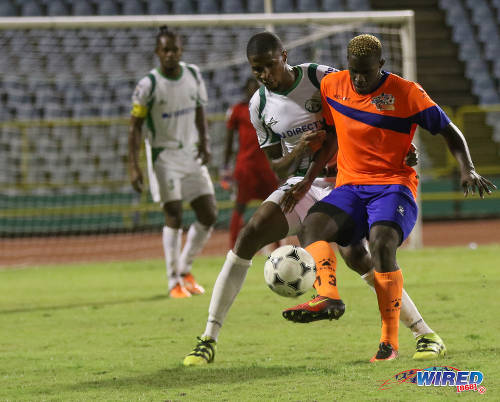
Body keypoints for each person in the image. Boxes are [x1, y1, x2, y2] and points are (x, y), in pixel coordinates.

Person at [183, 31, 446, 366]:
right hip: (303, 183)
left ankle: (423, 332)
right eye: (256, 70)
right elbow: (277, 164)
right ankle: (208, 338)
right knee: (250, 234)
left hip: (349, 179)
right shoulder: (259, 105)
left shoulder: (320, 77)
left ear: (284, 56)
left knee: (358, 256)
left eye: (268, 66)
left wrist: (398, 148)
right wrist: (299, 152)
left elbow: (359, 113)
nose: (264, 75)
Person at [289, 33, 496, 362]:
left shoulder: (407, 92)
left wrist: (467, 168)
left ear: (381, 66)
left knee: (382, 244)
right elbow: (332, 131)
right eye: (354, 71)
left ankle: (389, 343)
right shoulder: (332, 86)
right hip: (350, 186)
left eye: (366, 73)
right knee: (312, 226)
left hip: (393, 185)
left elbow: (448, 130)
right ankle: (328, 296)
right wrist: (308, 173)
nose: (358, 79)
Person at [128, 26, 217, 299]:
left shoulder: (192, 75)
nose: (170, 54)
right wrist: (134, 165)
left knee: (209, 214)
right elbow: (134, 128)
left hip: (190, 152)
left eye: (174, 49)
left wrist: (205, 140)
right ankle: (172, 281)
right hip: (163, 156)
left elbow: (200, 110)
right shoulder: (148, 85)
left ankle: (185, 269)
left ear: (181, 50)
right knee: (175, 214)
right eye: (165, 49)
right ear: (157, 52)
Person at [222, 77, 279, 249]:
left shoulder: (268, 109)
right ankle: (234, 247)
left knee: (275, 206)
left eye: (257, 88)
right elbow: (229, 141)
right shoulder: (237, 110)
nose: (253, 91)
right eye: (251, 88)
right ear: (245, 91)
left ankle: (277, 246)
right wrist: (225, 167)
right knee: (240, 206)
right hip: (245, 167)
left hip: (265, 166)